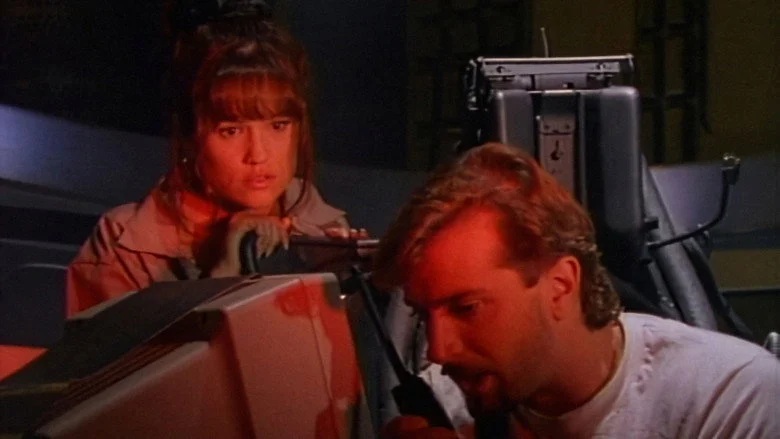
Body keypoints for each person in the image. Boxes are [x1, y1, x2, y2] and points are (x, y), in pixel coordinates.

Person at [373, 142, 780, 438]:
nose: (438, 351)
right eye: (424, 314)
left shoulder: (729, 400)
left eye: (467, 308)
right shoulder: (445, 405)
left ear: (561, 284)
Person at [65, 0, 365, 315]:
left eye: (279, 126)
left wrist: (357, 281)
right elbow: (117, 349)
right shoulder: (126, 246)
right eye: (231, 131)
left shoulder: (317, 223)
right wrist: (224, 272)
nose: (258, 154)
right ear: (190, 136)